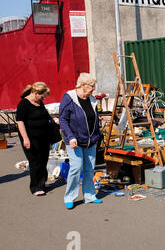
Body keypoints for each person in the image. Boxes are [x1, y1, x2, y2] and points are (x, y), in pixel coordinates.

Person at [59, 73, 102, 209]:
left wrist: (97, 131)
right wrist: (70, 137)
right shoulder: (69, 98)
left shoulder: (92, 100)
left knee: (89, 169)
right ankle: (70, 196)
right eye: (91, 87)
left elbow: (93, 118)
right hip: (74, 140)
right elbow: (63, 120)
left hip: (91, 140)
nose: (93, 90)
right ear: (83, 86)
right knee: (76, 168)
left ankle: (89, 195)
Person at [16, 82, 55, 196]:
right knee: (35, 162)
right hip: (31, 137)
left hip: (43, 136)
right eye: (42, 96)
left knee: (43, 160)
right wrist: (25, 139)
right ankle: (35, 187)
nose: (44, 98)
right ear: (35, 93)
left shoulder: (39, 102)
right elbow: (20, 122)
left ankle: (42, 183)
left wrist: (54, 119)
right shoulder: (23, 104)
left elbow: (45, 115)